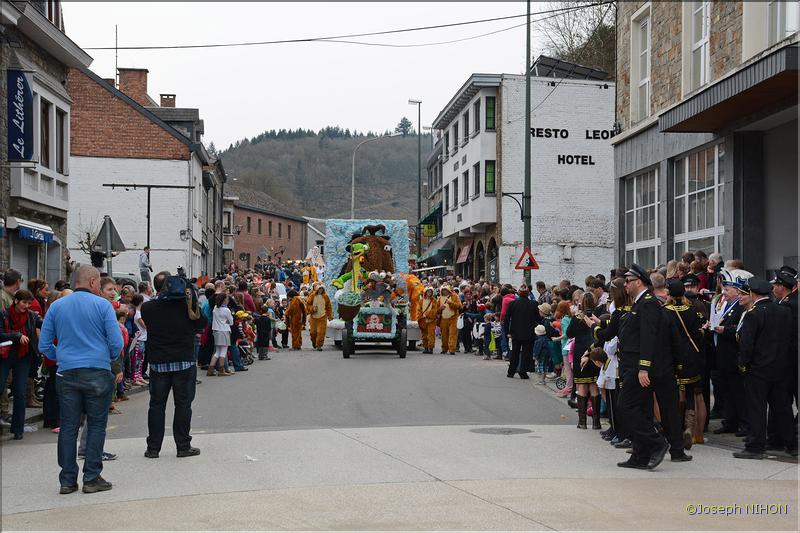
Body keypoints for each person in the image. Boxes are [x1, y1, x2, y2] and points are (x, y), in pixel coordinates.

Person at [38, 265, 124, 494]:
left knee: (68, 426)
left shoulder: (56, 306)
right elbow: (117, 343)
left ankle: (67, 480)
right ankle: (91, 477)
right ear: (94, 282)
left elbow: (44, 345)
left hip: (66, 372)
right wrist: (106, 358)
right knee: (96, 425)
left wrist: (62, 357)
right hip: (97, 370)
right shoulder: (103, 306)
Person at [141, 271, 207, 459]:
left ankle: (153, 448)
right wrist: (192, 300)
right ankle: (183, 445)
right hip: (184, 362)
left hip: (158, 363)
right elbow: (201, 324)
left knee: (156, 406)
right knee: (183, 405)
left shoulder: (148, 308)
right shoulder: (187, 307)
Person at [616, 264, 672, 470]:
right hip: (631, 365)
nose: (625, 285)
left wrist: (644, 368)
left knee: (626, 407)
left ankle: (657, 443)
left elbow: (649, 338)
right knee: (640, 409)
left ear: (638, 282)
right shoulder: (639, 303)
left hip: (638, 367)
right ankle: (640, 455)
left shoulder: (647, 303)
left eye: (628, 281)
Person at [734, 278, 797, 458]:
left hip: (758, 370)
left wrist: (743, 364)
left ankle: (755, 446)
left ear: (753, 294)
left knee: (757, 408)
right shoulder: (784, 311)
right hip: (781, 368)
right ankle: (791, 444)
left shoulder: (754, 314)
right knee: (782, 407)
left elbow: (747, 344)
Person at [664, 279, 707, 450]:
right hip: (692, 357)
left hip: (674, 358)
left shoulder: (665, 312)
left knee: (676, 395)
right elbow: (699, 333)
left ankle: (679, 429)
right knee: (690, 394)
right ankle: (690, 428)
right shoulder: (692, 310)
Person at [0, 290, 43, 440]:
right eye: (24, 302)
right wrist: (16, 335)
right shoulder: (4, 313)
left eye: (29, 303)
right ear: (16, 301)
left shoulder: (31, 316)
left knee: (20, 392)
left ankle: (18, 429)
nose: (27, 306)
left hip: (23, 357)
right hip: (5, 355)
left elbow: (43, 324)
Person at [770, 266, 798, 448]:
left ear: (782, 287)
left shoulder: (787, 305)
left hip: (790, 360)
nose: (773, 288)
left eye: (776, 285)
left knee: (782, 400)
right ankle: (777, 438)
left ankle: (780, 439)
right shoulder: (790, 302)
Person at [569, 292, 601, 429]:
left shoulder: (578, 317)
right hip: (594, 351)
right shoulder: (597, 317)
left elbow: (569, 333)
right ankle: (596, 421)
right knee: (594, 385)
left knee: (582, 386)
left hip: (580, 351)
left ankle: (582, 421)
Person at [502, 283, 541, 379]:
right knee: (526, 353)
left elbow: (506, 319)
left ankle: (511, 371)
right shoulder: (533, 304)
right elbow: (538, 319)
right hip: (529, 332)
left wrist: (507, 331)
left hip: (515, 332)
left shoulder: (512, 304)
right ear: (528, 293)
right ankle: (523, 372)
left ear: (518, 293)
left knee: (515, 352)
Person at [210, 293, 234, 376]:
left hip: (216, 330)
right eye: (227, 299)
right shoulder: (226, 310)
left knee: (217, 351)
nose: (228, 300)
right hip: (224, 331)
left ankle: (211, 369)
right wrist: (226, 322)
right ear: (224, 300)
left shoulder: (215, 308)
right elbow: (231, 322)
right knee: (223, 351)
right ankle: (221, 370)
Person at [305, 283, 332, 351]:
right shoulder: (312, 295)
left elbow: (329, 307)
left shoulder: (326, 296)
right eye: (319, 288)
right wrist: (312, 309)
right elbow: (307, 305)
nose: (320, 290)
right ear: (317, 289)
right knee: (313, 332)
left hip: (322, 317)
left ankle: (319, 345)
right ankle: (314, 342)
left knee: (321, 332)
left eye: (322, 289)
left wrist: (329, 316)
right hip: (313, 317)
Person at [437, 286, 462, 355]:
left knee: (452, 334)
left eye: (445, 290)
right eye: (443, 290)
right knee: (444, 335)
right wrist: (440, 308)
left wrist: (451, 303)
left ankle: (452, 349)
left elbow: (459, 306)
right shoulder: (439, 298)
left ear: (448, 290)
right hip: (443, 319)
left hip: (453, 318)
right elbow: (436, 310)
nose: (444, 291)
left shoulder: (454, 296)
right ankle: (444, 349)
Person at [418, 287, 438, 354]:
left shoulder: (434, 300)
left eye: (430, 292)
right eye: (428, 292)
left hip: (431, 320)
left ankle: (430, 348)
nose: (429, 293)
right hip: (423, 320)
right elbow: (418, 310)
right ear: (425, 292)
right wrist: (421, 316)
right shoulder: (421, 301)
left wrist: (427, 314)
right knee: (424, 334)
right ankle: (425, 347)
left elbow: (435, 310)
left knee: (431, 334)